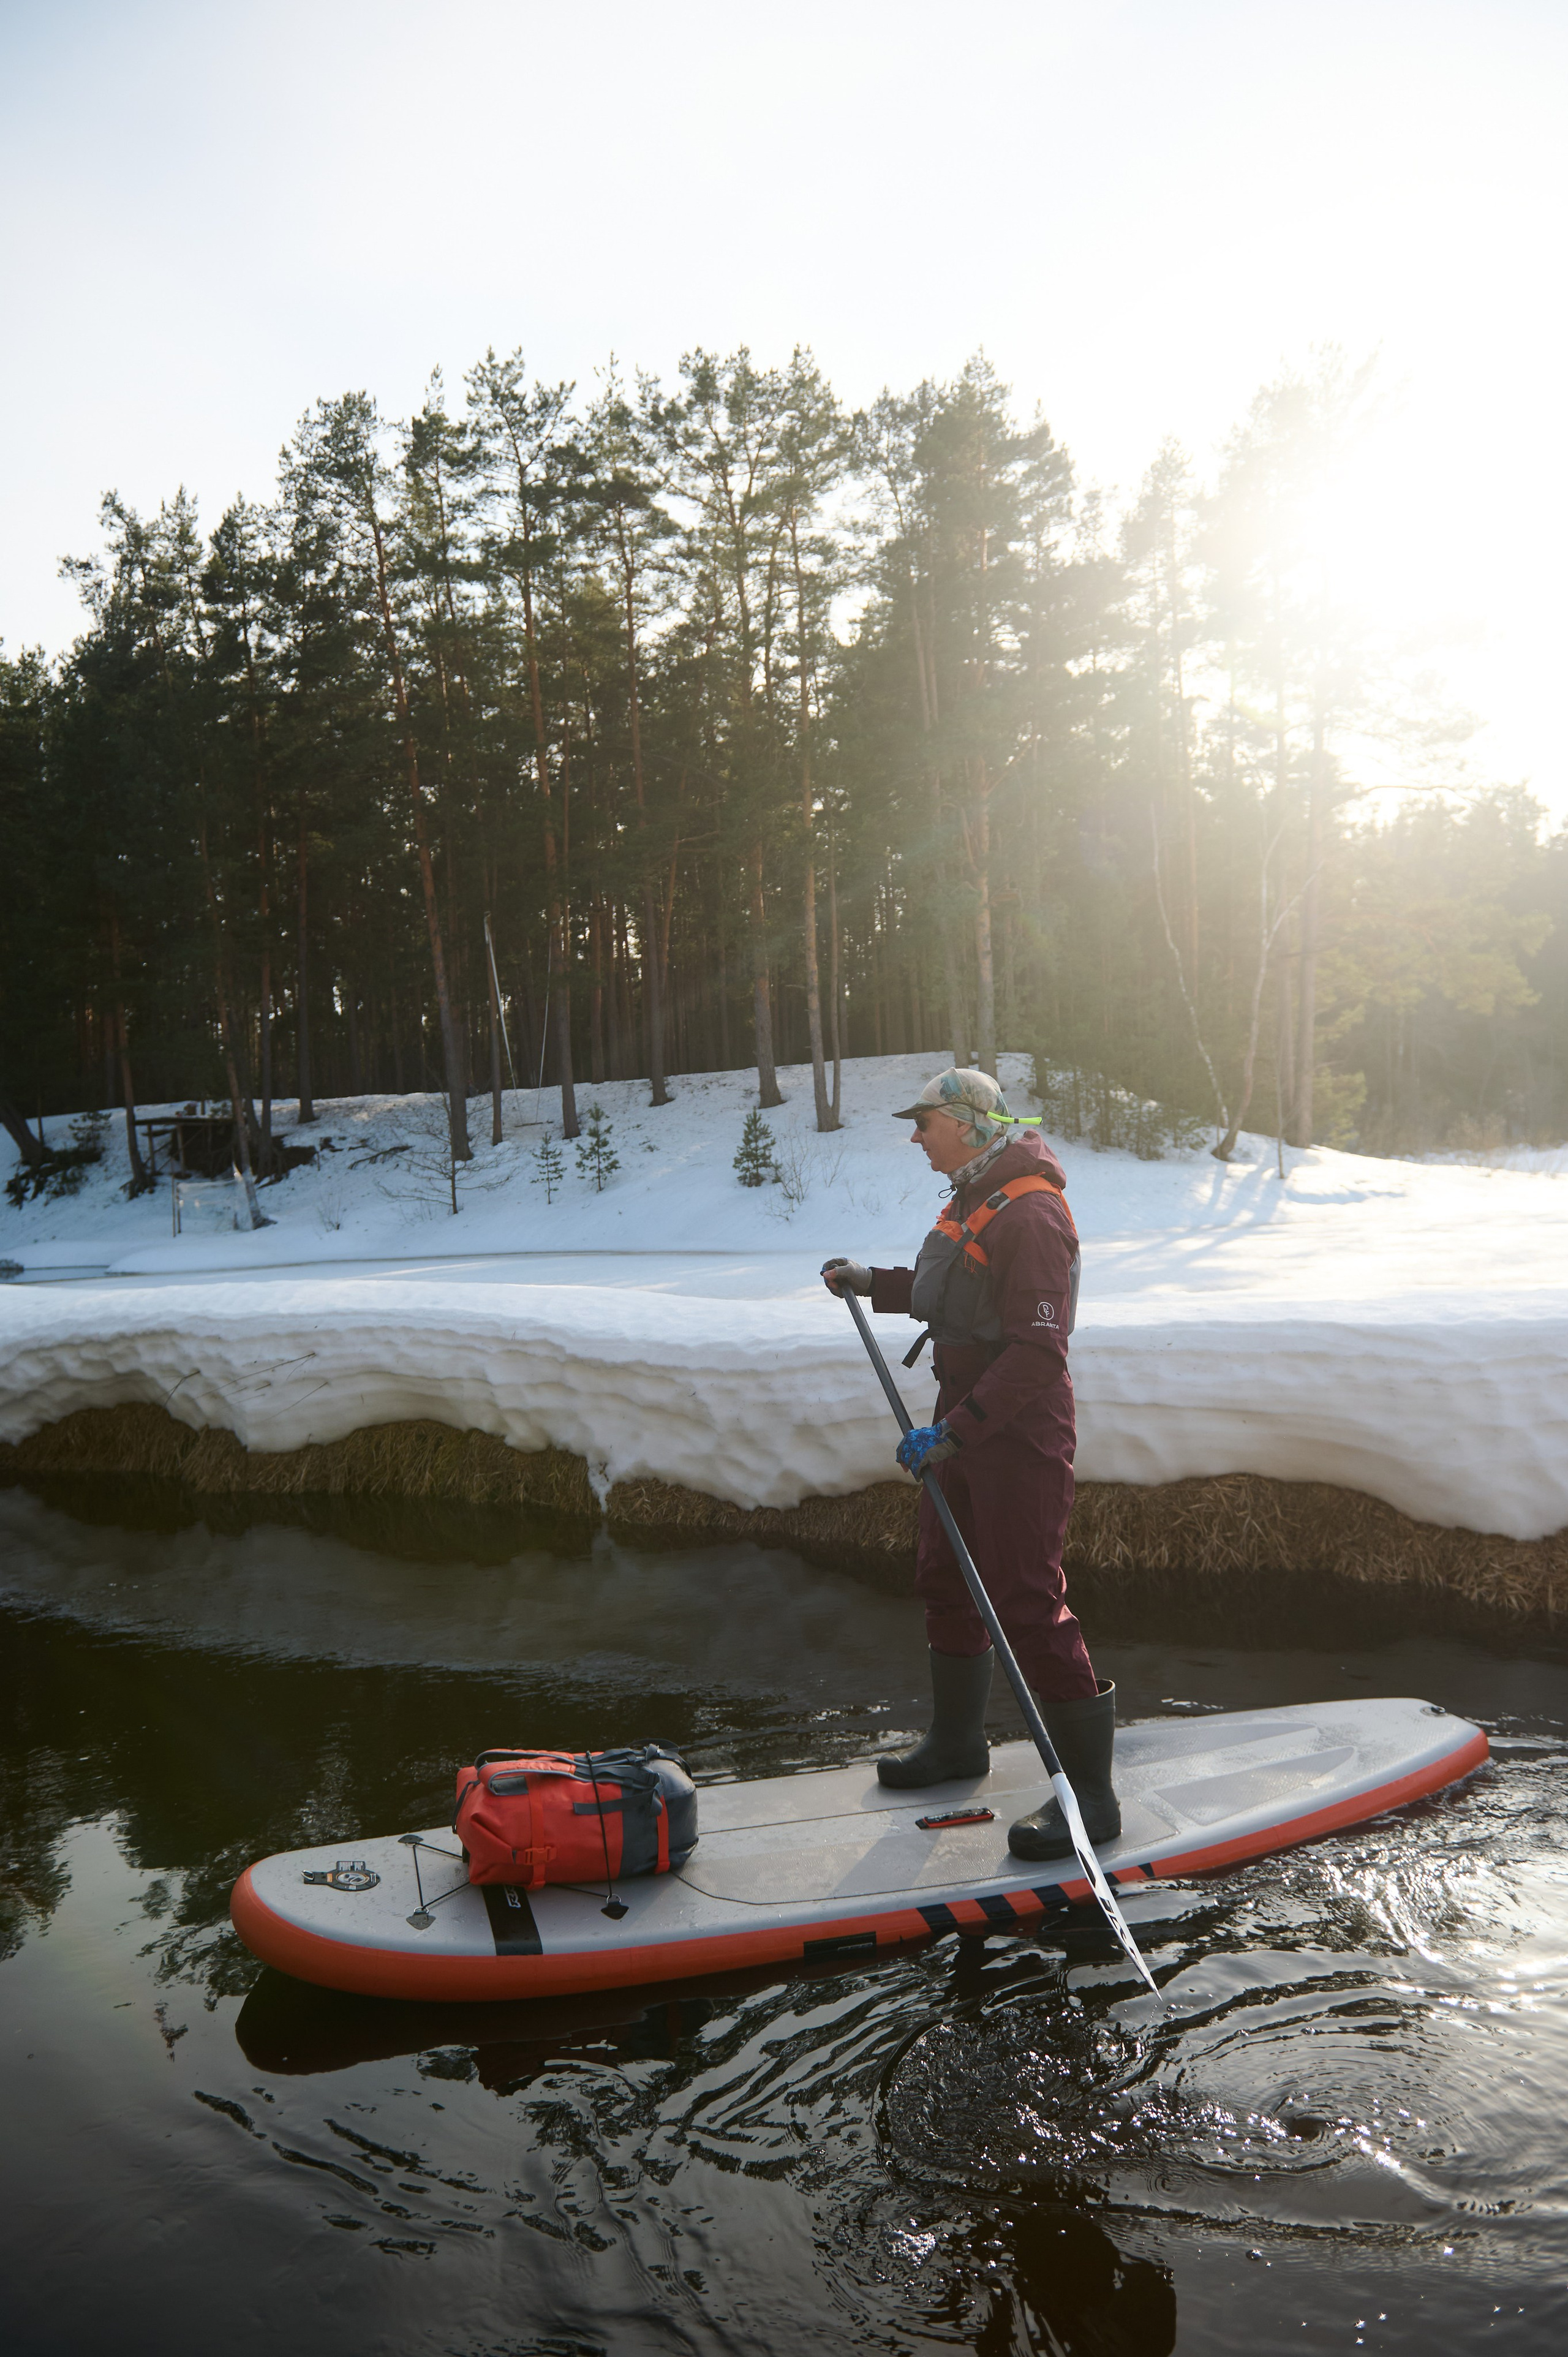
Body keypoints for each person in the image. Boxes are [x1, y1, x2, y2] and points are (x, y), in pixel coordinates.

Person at [822, 1066, 1119, 1860]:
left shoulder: (1034, 1215)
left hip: (1015, 1431)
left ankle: (1091, 1796)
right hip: (960, 1425)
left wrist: (961, 1428)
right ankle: (958, 1747)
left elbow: (1036, 1351)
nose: (915, 1136)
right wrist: (870, 1283)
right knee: (943, 1576)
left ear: (966, 1121)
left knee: (1026, 1599)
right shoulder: (973, 1198)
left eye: (924, 1122)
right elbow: (942, 1294)